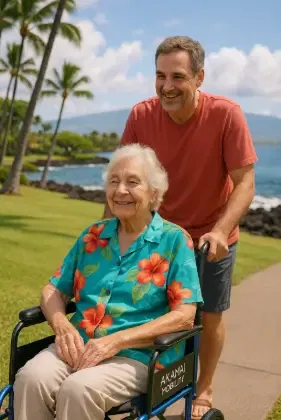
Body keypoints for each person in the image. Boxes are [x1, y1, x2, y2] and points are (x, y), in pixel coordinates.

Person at [103, 36, 258, 419]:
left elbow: (245, 181)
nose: (167, 86)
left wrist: (221, 230)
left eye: (177, 76)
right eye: (160, 76)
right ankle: (151, 380)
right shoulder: (141, 115)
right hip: (159, 235)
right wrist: (103, 236)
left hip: (212, 233)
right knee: (145, 311)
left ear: (199, 77)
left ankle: (203, 389)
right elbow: (124, 176)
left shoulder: (226, 114)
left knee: (208, 316)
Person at [14, 144, 203, 420]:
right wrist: (62, 326)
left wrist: (116, 341)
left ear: (153, 192)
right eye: (114, 181)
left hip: (138, 355)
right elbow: (54, 288)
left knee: (79, 390)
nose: (120, 190)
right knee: (31, 378)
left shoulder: (174, 241)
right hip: (78, 345)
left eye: (132, 182)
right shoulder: (94, 236)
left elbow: (185, 317)